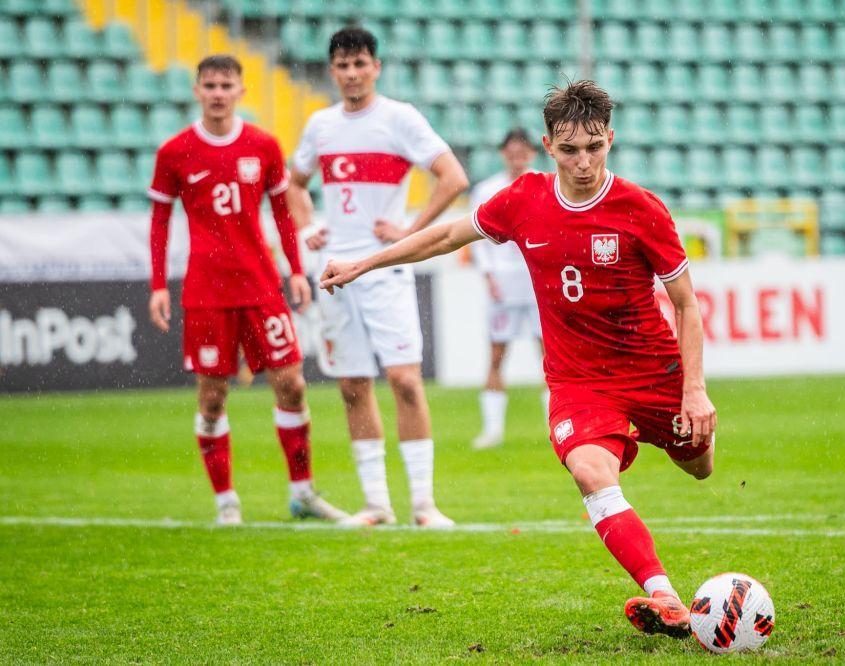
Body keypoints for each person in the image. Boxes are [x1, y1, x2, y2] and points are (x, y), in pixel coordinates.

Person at [318, 81, 717, 637]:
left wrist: (694, 389)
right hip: (578, 381)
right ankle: (665, 596)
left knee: (700, 465)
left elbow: (686, 304)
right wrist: (366, 263)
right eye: (571, 149)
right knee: (588, 470)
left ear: (611, 141)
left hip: (654, 372)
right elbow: (449, 236)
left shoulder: (641, 209)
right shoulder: (524, 199)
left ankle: (680, 444)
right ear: (548, 145)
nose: (584, 162)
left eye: (595, 147)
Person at [147, 55, 347, 526]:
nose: (218, 93)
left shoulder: (262, 145)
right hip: (205, 293)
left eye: (226, 85)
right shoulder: (174, 152)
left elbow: (281, 212)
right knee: (212, 398)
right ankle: (226, 502)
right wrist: (158, 284)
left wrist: (296, 270)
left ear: (240, 90)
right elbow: (158, 221)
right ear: (197, 91)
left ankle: (302, 493)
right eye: (210, 85)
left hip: (261, 286)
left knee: (293, 385)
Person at [286, 27, 468, 528]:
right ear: (332, 71)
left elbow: (453, 177)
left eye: (360, 63)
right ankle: (376, 504)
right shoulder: (320, 125)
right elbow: (293, 185)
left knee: (406, 380)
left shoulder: (399, 118)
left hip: (385, 268)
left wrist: (410, 230)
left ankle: (424, 505)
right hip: (333, 270)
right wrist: (308, 227)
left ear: (376, 67)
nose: (351, 73)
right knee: (351, 385)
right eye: (342, 66)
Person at [468, 129, 547, 450]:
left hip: (537, 283)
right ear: (503, 153)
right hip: (503, 282)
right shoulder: (487, 189)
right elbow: (475, 237)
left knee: (550, 357)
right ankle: (492, 430)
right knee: (497, 356)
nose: (517, 157)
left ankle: (555, 426)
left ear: (531, 153)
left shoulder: (546, 185)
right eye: (511, 151)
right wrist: (488, 276)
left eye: (522, 151)